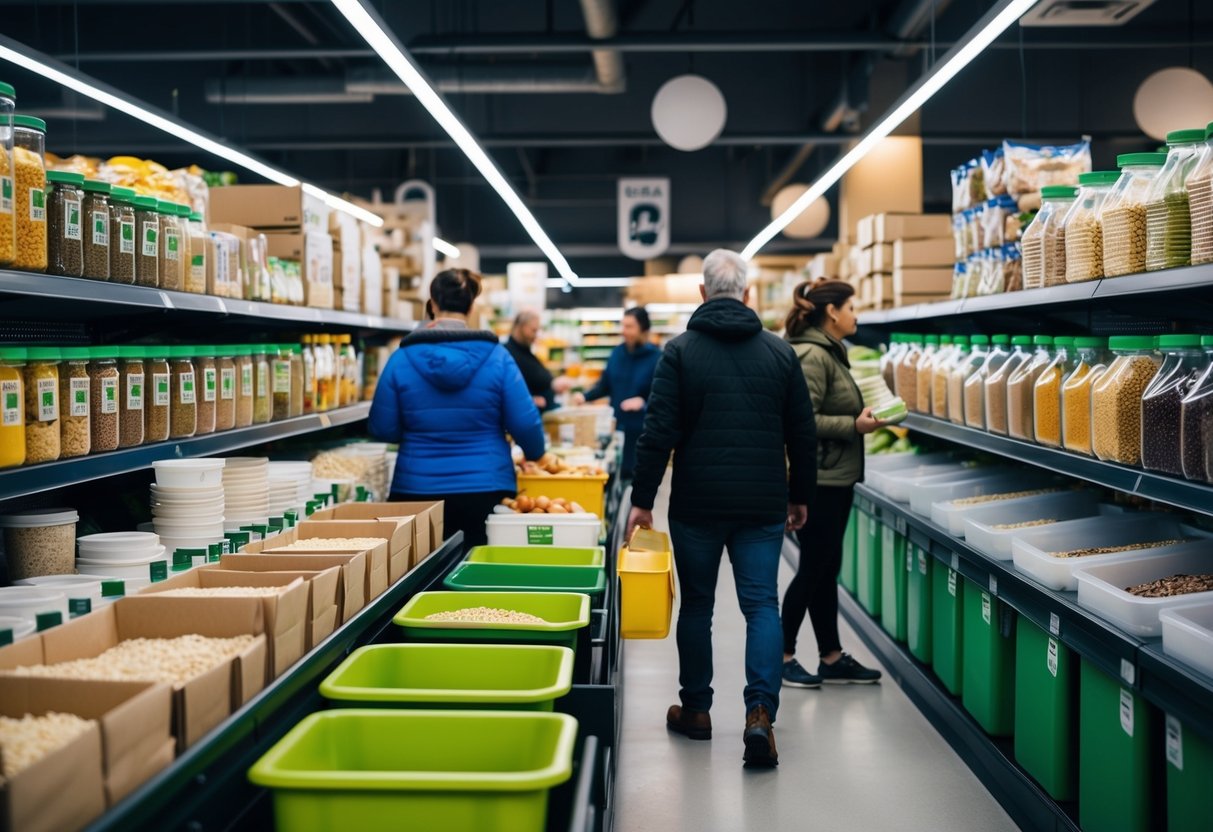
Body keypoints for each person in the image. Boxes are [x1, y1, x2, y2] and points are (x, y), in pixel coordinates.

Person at [626, 249, 817, 769]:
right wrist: (800, 494)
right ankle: (759, 714)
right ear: (748, 294)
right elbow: (803, 434)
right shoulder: (780, 354)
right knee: (761, 606)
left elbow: (657, 433)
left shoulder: (680, 352)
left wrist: (642, 501)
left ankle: (697, 711)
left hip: (697, 503)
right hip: (761, 502)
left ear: (703, 295)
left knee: (697, 607)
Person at [368, 268, 546, 550]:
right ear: (472, 307)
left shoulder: (401, 359)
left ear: (433, 304)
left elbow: (383, 428)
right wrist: (537, 454)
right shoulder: (498, 357)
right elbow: (525, 423)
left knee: (420, 583)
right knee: (481, 578)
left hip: (416, 491)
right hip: (486, 488)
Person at [780, 279, 884, 688]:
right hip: (819, 478)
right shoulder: (811, 355)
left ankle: (831, 656)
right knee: (813, 569)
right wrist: (854, 425)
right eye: (851, 306)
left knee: (825, 569)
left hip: (835, 474)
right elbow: (803, 421)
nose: (856, 314)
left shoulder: (827, 351)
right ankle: (783, 655)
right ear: (833, 313)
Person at [574, 307, 660, 478]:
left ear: (643, 329)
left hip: (641, 433)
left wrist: (643, 402)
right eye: (623, 326)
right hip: (615, 428)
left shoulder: (657, 357)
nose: (624, 331)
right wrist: (585, 396)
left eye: (629, 327)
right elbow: (605, 385)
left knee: (634, 480)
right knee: (613, 478)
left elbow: (665, 397)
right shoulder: (617, 353)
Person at [504, 309, 557, 410]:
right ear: (520, 327)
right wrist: (529, 399)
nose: (535, 335)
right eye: (533, 330)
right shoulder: (507, 354)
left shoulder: (525, 350)